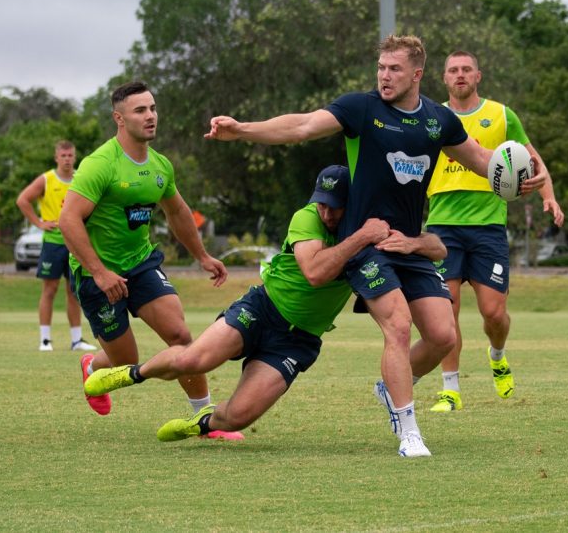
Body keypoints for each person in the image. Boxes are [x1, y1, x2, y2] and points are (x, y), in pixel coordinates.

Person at [202, 35, 547, 457]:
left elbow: (480, 160)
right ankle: (409, 430)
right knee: (398, 326)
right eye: (381, 67)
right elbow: (303, 126)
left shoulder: (439, 120)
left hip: (409, 245)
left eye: (394, 69)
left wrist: (514, 178)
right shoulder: (361, 109)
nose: (384, 75)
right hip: (365, 244)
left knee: (442, 335)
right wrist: (243, 130)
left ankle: (391, 387)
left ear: (416, 74)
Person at [82, 165, 447, 450]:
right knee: (194, 360)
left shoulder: (367, 224)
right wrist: (362, 238)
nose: (326, 213)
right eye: (321, 202)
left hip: (298, 342)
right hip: (262, 310)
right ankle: (132, 374)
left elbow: (439, 248)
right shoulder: (308, 218)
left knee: (238, 416)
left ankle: (201, 424)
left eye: (335, 208)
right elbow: (316, 272)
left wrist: (411, 243)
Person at [58, 81, 237, 439]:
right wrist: (99, 272)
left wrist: (201, 255)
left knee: (180, 335)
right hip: (98, 274)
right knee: (125, 362)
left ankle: (205, 420)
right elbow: (68, 220)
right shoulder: (100, 165)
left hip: (141, 265)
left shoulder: (160, 166)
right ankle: (93, 364)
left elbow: (178, 212)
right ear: (119, 119)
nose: (151, 116)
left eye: (153, 108)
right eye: (140, 110)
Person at [421, 50, 565, 413]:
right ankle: (450, 391)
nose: (460, 75)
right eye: (453, 70)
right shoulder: (431, 116)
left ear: (478, 76)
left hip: (488, 227)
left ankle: (497, 355)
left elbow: (533, 160)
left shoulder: (502, 115)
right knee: (446, 311)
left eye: (466, 69)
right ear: (444, 78)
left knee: (493, 313)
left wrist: (549, 195)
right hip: (442, 227)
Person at [16, 140, 95, 352]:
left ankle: (77, 340)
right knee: (49, 290)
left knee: (74, 291)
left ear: (75, 157)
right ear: (56, 157)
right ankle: (45, 340)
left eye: (71, 155)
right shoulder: (47, 179)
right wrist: (39, 223)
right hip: (53, 243)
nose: (67, 159)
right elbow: (22, 200)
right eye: (63, 156)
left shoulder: (82, 178)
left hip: (76, 244)